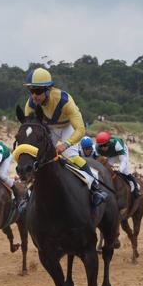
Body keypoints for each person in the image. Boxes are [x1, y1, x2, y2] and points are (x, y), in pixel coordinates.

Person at [24, 67, 107, 205]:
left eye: (37, 91)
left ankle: (95, 189)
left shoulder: (64, 100)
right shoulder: (30, 104)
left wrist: (66, 144)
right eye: (31, 91)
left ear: (48, 89)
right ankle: (27, 197)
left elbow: (80, 129)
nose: (34, 96)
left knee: (72, 157)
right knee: (37, 160)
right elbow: (29, 128)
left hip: (67, 128)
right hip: (49, 129)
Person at [94, 131, 143, 198]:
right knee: (107, 168)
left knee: (124, 170)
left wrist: (119, 170)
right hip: (111, 155)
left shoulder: (116, 143)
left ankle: (135, 186)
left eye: (105, 145)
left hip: (122, 151)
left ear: (108, 143)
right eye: (101, 146)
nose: (103, 148)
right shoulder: (96, 148)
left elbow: (123, 160)